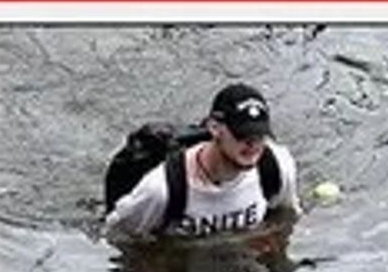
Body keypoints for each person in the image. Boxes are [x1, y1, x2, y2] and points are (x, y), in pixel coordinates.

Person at [104, 82, 299, 240]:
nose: (253, 145)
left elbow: (286, 216)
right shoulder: (161, 190)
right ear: (214, 128)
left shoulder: (277, 167)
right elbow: (117, 235)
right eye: (242, 135)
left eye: (259, 136)